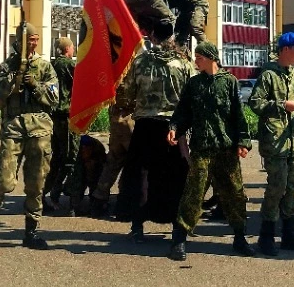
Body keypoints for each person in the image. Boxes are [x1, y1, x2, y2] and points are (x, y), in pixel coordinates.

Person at [0, 23, 59, 250]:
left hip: (39, 129)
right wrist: (15, 79)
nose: (33, 43)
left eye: (36, 39)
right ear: (18, 40)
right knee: (4, 181)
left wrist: (35, 85)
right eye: (29, 39)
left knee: (36, 183)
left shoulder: (45, 66)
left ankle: (31, 231)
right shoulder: (6, 66)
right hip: (14, 128)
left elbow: (54, 99)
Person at [167, 41, 254, 260]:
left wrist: (243, 141)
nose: (196, 61)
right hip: (202, 148)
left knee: (234, 194)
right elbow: (183, 112)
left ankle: (240, 238)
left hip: (225, 149)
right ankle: (179, 239)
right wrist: (174, 128)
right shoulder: (194, 84)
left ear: (211, 58)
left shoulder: (230, 82)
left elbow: (238, 115)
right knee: (193, 194)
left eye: (200, 57)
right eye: (195, 57)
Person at [249, 32, 294, 256]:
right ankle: (266, 237)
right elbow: (255, 103)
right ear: (285, 49)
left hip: (291, 142)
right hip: (274, 142)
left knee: (290, 188)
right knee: (276, 188)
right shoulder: (268, 74)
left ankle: (290, 236)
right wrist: (281, 105)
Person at [122, 37, 195, 243]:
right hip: (172, 127)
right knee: (175, 175)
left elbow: (128, 92)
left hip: (145, 125)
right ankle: (176, 226)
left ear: (154, 38)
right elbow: (192, 94)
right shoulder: (184, 64)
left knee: (141, 174)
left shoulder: (140, 61)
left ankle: (137, 225)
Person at [89, 81, 135, 219]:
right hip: (130, 121)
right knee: (132, 165)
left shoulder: (115, 69)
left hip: (116, 118)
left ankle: (98, 201)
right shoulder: (132, 69)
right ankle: (124, 205)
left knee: (112, 163)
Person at [43, 37, 78, 214]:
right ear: (67, 49)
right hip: (67, 116)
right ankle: (65, 198)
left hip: (54, 116)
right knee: (71, 157)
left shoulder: (50, 65)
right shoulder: (68, 65)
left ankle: (42, 194)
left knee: (57, 156)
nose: (74, 50)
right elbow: (82, 83)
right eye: (72, 47)